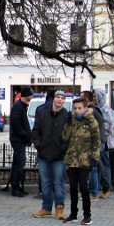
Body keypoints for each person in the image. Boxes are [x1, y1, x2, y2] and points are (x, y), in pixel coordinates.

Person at [62, 97, 100, 225]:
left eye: (79, 108)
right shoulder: (72, 120)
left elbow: (97, 141)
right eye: (75, 108)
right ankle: (73, 214)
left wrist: (95, 157)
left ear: (85, 108)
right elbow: (65, 137)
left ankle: (87, 215)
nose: (77, 111)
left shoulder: (91, 121)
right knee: (72, 187)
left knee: (83, 187)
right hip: (73, 158)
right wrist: (67, 124)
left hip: (85, 159)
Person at [31, 91, 69, 219]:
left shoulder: (67, 116)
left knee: (58, 182)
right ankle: (46, 207)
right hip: (43, 153)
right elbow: (35, 130)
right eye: (58, 97)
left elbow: (69, 136)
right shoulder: (43, 113)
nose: (60, 100)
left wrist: (63, 149)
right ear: (53, 99)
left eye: (62, 98)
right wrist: (38, 144)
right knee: (46, 182)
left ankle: (59, 208)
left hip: (59, 155)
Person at [8, 86, 34, 197]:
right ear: (27, 95)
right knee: (19, 163)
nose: (32, 96)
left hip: (20, 140)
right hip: (18, 140)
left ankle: (16, 185)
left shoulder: (21, 107)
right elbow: (17, 125)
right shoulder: (18, 107)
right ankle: (15, 187)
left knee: (18, 163)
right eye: (31, 94)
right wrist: (26, 137)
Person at [81, 91, 104, 200]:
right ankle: (94, 190)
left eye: (81, 98)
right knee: (95, 168)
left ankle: (93, 192)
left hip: (94, 143)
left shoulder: (91, 111)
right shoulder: (95, 109)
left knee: (92, 168)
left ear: (86, 99)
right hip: (96, 142)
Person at [94, 88, 114, 198]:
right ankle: (100, 188)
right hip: (101, 141)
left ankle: (106, 188)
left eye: (95, 96)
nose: (94, 99)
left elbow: (108, 126)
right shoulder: (97, 108)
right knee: (99, 166)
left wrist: (99, 134)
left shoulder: (105, 109)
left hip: (103, 142)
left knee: (103, 166)